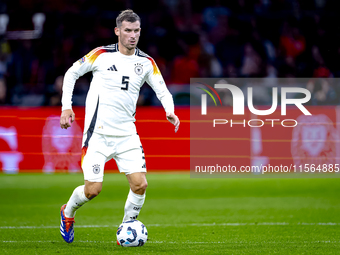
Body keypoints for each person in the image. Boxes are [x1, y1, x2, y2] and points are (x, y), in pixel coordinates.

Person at [59, 9, 180, 243]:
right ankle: (67, 212)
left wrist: (170, 110)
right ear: (117, 31)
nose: (132, 35)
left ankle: (127, 226)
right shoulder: (101, 55)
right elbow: (71, 73)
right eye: (127, 30)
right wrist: (67, 107)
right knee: (93, 190)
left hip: (127, 135)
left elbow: (162, 89)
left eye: (136, 31)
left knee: (140, 184)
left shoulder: (146, 62)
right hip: (98, 135)